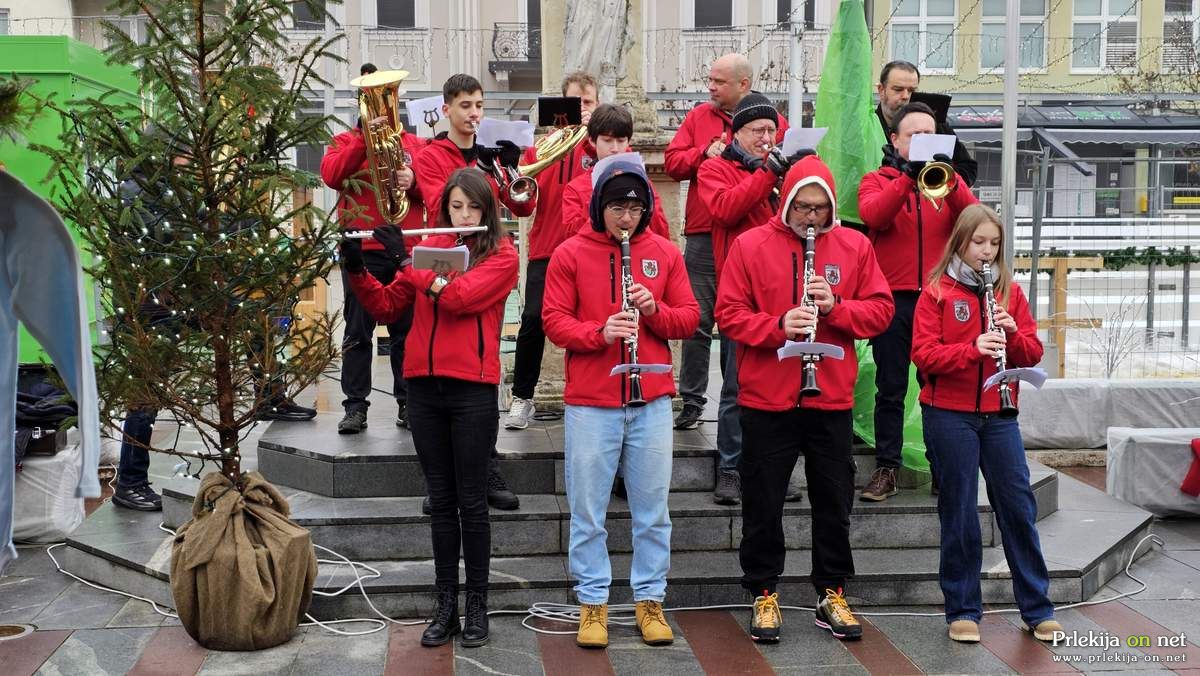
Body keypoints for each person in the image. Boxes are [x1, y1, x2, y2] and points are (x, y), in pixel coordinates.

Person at [715, 155, 893, 643]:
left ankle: (831, 592)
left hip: (829, 398)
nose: (811, 217)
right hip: (766, 398)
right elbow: (728, 314)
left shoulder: (854, 245)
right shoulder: (750, 245)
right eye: (802, 207)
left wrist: (836, 307)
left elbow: (881, 311)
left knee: (834, 502)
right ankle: (763, 591)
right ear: (786, 201)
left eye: (820, 208)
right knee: (763, 502)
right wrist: (777, 325)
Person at [341, 168, 518, 649]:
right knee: (440, 502)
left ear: (488, 211)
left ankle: (477, 606)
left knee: (472, 502)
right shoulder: (429, 247)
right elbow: (386, 307)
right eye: (456, 207)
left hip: (472, 391)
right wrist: (357, 270)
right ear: (445, 208)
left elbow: (460, 298)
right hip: (422, 387)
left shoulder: (502, 255)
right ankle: (445, 606)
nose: (464, 215)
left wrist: (405, 262)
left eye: (474, 207)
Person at [542, 158, 699, 649]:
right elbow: (553, 320)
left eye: (634, 208)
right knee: (588, 510)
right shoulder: (569, 253)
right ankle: (593, 602)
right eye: (616, 208)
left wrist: (654, 310)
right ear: (599, 207)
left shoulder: (665, 253)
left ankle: (650, 599)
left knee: (653, 511)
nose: (626, 218)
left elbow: (690, 318)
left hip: (650, 398)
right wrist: (600, 332)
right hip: (592, 401)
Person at [910, 204, 1061, 644]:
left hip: (1000, 415)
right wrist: (972, 349)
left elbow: (1032, 354)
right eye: (979, 242)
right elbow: (923, 355)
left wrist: (1012, 334)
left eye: (994, 244)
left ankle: (1037, 609)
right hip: (948, 414)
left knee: (1018, 507)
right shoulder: (936, 291)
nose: (987, 251)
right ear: (960, 241)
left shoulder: (1009, 291)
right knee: (959, 512)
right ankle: (962, 610)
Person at [414, 73, 533, 510]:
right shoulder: (432, 155)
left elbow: (523, 205)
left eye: (480, 105)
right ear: (447, 109)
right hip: (443, 256)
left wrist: (509, 169)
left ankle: (487, 465)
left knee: (484, 366)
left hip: (486, 257)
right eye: (466, 105)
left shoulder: (494, 150)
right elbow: (439, 205)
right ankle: (440, 481)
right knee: (442, 372)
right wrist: (479, 175)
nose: (474, 113)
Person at [857, 101, 979, 502]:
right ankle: (887, 468)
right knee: (890, 387)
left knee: (939, 388)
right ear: (895, 140)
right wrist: (907, 177)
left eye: (930, 135)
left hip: (938, 300)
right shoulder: (876, 180)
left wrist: (951, 179)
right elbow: (875, 216)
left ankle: (942, 467)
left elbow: (974, 220)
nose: (923, 141)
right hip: (893, 300)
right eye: (914, 136)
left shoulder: (945, 181)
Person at [665, 53, 789, 434]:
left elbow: (778, 167)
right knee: (699, 319)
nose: (711, 87)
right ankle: (692, 399)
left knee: (742, 325)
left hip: (757, 242)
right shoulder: (697, 118)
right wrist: (703, 153)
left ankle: (736, 401)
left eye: (719, 81)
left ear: (743, 85)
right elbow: (672, 163)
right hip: (705, 233)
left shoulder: (772, 120)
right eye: (711, 79)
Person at [694, 91, 792, 506]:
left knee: (783, 383)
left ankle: (775, 468)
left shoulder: (780, 169)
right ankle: (731, 468)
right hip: (741, 292)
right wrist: (768, 175)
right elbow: (726, 209)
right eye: (757, 130)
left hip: (784, 291)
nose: (767, 138)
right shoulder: (715, 169)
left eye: (771, 130)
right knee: (736, 383)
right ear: (737, 133)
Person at [320, 62, 425, 434]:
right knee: (357, 332)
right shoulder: (344, 142)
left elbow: (437, 189)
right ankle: (355, 406)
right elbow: (332, 176)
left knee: (406, 333)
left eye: (386, 98)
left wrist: (414, 180)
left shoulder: (414, 146)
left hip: (404, 247)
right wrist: (364, 139)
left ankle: (408, 403)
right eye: (372, 100)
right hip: (362, 249)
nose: (382, 107)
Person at [505, 72, 600, 431]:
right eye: (575, 103)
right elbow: (524, 207)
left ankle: (588, 396)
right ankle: (522, 397)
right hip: (546, 248)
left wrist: (590, 139)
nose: (582, 109)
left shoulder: (600, 146)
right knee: (533, 321)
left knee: (590, 321)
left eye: (588, 102)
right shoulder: (539, 149)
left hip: (589, 249)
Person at [560, 103, 671, 237]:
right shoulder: (576, 188)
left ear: (628, 142)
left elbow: (660, 232)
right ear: (592, 141)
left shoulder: (642, 182)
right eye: (607, 140)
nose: (615, 148)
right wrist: (597, 198)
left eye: (621, 141)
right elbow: (571, 236)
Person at [875, 60, 977, 187]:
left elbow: (969, 168)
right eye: (898, 89)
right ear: (881, 90)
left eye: (911, 90)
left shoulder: (937, 125)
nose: (906, 96)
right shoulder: (868, 127)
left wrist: (947, 174)